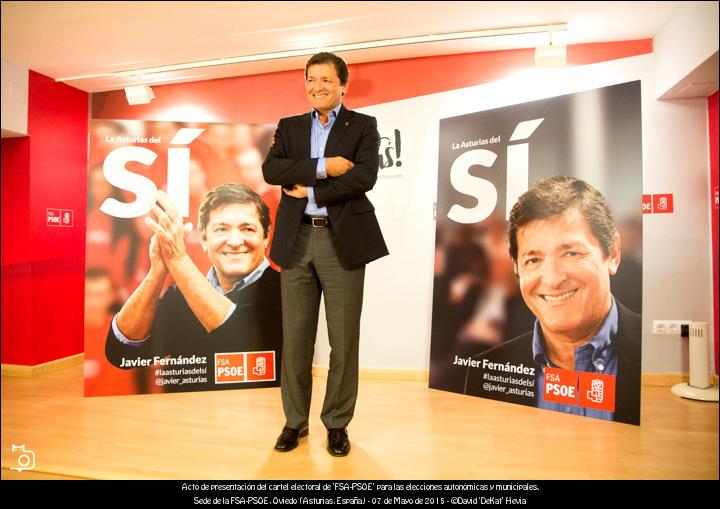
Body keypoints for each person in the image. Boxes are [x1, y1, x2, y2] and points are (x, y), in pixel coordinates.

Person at [262, 52, 388, 456]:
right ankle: (294, 422)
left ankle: (336, 423)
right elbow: (272, 171)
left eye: (326, 80)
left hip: (342, 241)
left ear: (343, 85)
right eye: (311, 80)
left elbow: (364, 177)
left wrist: (312, 189)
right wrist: (324, 166)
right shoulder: (290, 126)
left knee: (343, 341)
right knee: (296, 340)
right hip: (296, 240)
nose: (317, 87)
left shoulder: (363, 126)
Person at [464, 176, 641, 424]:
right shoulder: (486, 370)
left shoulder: (658, 356)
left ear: (612, 254)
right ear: (517, 269)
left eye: (571, 253)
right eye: (533, 260)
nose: (552, 279)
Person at [104, 183, 282, 393]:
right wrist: (157, 272)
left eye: (248, 229)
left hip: (254, 415)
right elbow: (123, 353)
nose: (235, 241)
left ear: (266, 237)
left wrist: (178, 259)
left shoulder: (286, 289)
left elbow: (234, 340)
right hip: (185, 419)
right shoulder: (179, 297)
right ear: (204, 239)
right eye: (221, 229)